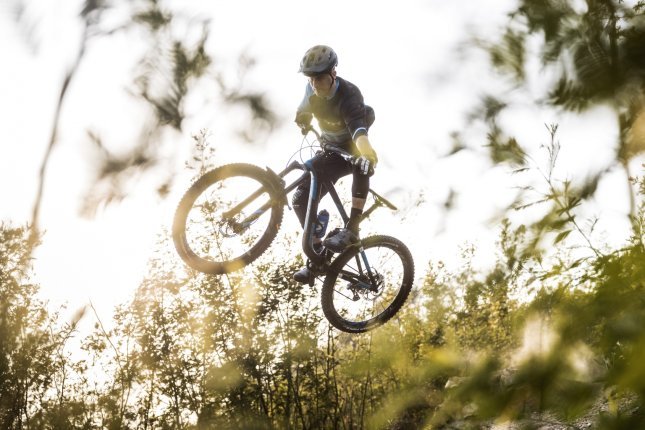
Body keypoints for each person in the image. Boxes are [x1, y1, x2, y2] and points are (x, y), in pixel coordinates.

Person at [292, 45, 378, 283]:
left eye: (319, 78)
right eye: (311, 78)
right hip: (330, 151)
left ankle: (352, 229)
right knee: (299, 198)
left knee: (362, 164)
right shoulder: (310, 91)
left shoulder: (349, 94)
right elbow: (303, 112)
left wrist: (367, 154)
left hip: (352, 147)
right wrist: (303, 120)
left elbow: (359, 130)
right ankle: (319, 256)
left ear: (333, 74)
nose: (314, 84)